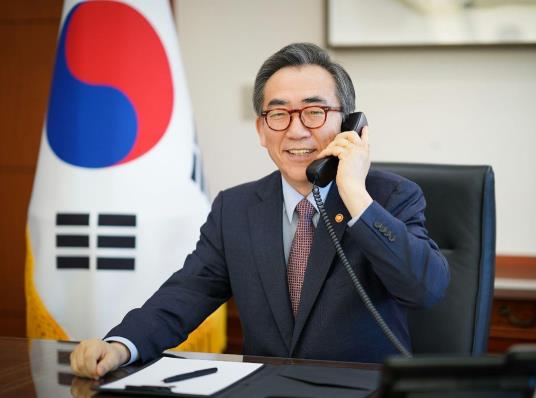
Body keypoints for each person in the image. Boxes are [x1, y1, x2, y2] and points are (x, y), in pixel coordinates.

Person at [70, 42, 450, 379]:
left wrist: (354, 194)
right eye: (279, 114)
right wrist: (121, 345)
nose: (297, 131)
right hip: (264, 391)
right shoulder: (234, 208)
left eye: (314, 112)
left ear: (349, 124)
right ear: (261, 130)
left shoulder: (390, 196)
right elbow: (185, 294)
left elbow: (425, 290)